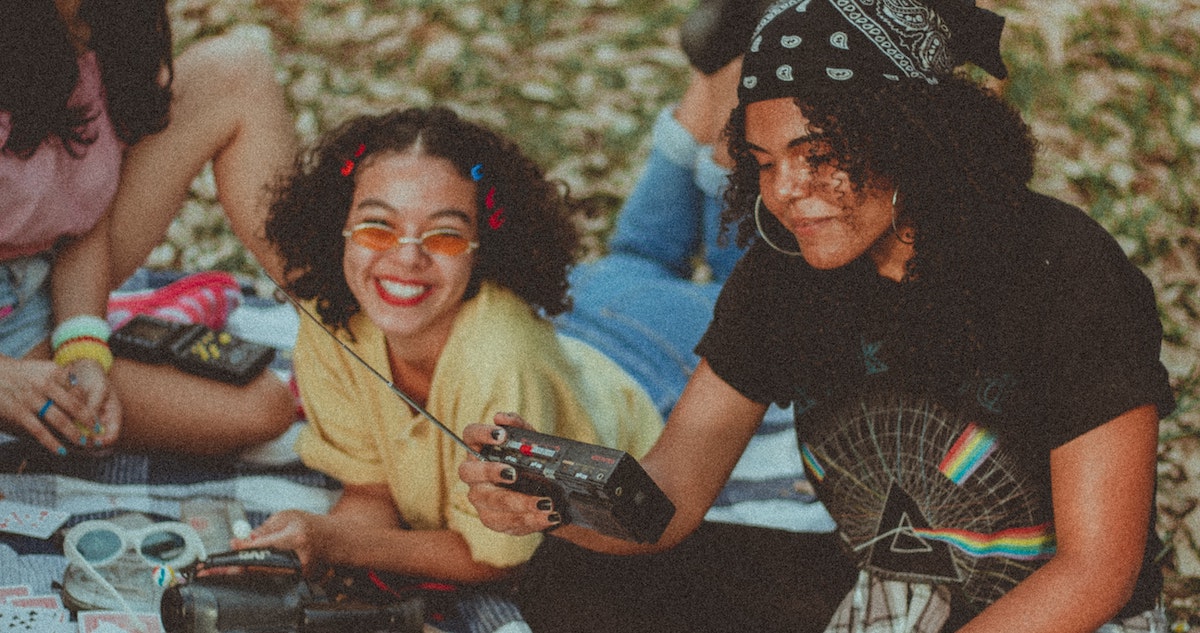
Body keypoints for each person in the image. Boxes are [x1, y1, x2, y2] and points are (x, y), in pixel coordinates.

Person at [459, 1, 1173, 631]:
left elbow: (1096, 572)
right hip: (892, 596)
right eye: (765, 163)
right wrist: (555, 500)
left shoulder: (1060, 267)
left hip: (1061, 615)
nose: (786, 192)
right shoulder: (786, 267)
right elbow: (670, 493)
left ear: (912, 137)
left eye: (818, 155)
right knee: (573, 575)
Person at [233, 106, 663, 633]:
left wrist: (333, 541)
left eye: (445, 236)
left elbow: (500, 559)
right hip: (571, 357)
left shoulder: (502, 360)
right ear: (338, 226)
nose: (407, 258)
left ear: (483, 249)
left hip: (638, 373)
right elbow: (371, 489)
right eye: (377, 226)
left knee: (648, 271)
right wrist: (315, 558)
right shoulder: (332, 319)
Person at [0, 0, 296, 456]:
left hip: (50, 272)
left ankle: (352, 333)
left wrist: (83, 347)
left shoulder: (106, 22)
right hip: (11, 333)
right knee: (262, 408)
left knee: (236, 70)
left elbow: (83, 214)